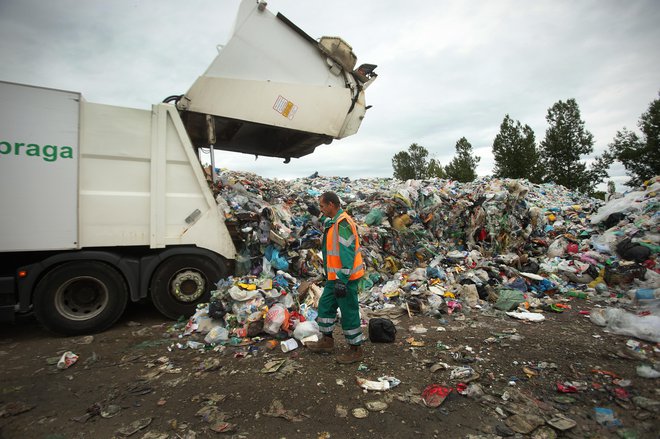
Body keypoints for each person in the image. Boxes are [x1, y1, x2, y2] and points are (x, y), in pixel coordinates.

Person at [306, 191, 365, 363]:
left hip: (345, 278)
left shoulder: (344, 223)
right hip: (334, 277)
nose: (322, 209)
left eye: (323, 206)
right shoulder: (334, 220)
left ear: (331, 205)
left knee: (348, 311)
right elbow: (327, 222)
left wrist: (343, 280)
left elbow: (347, 253)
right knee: (325, 305)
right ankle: (327, 341)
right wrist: (317, 215)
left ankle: (356, 349)